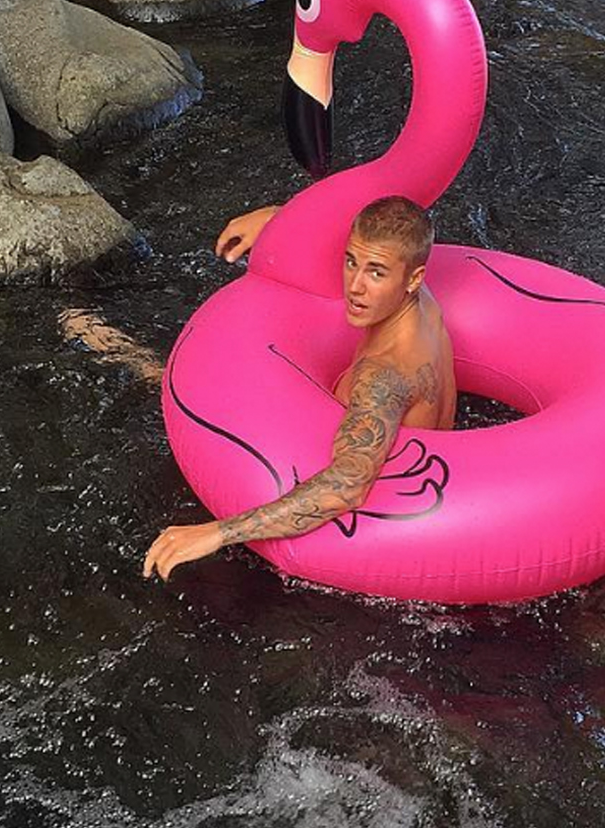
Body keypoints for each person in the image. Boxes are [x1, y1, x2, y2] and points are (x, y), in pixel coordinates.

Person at [142, 195, 455, 582]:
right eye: (351, 262)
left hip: (380, 542)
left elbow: (348, 487)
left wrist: (216, 533)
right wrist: (274, 219)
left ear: (413, 278)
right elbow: (341, 222)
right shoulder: (424, 302)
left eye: (376, 273)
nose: (355, 286)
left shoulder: (383, 378)